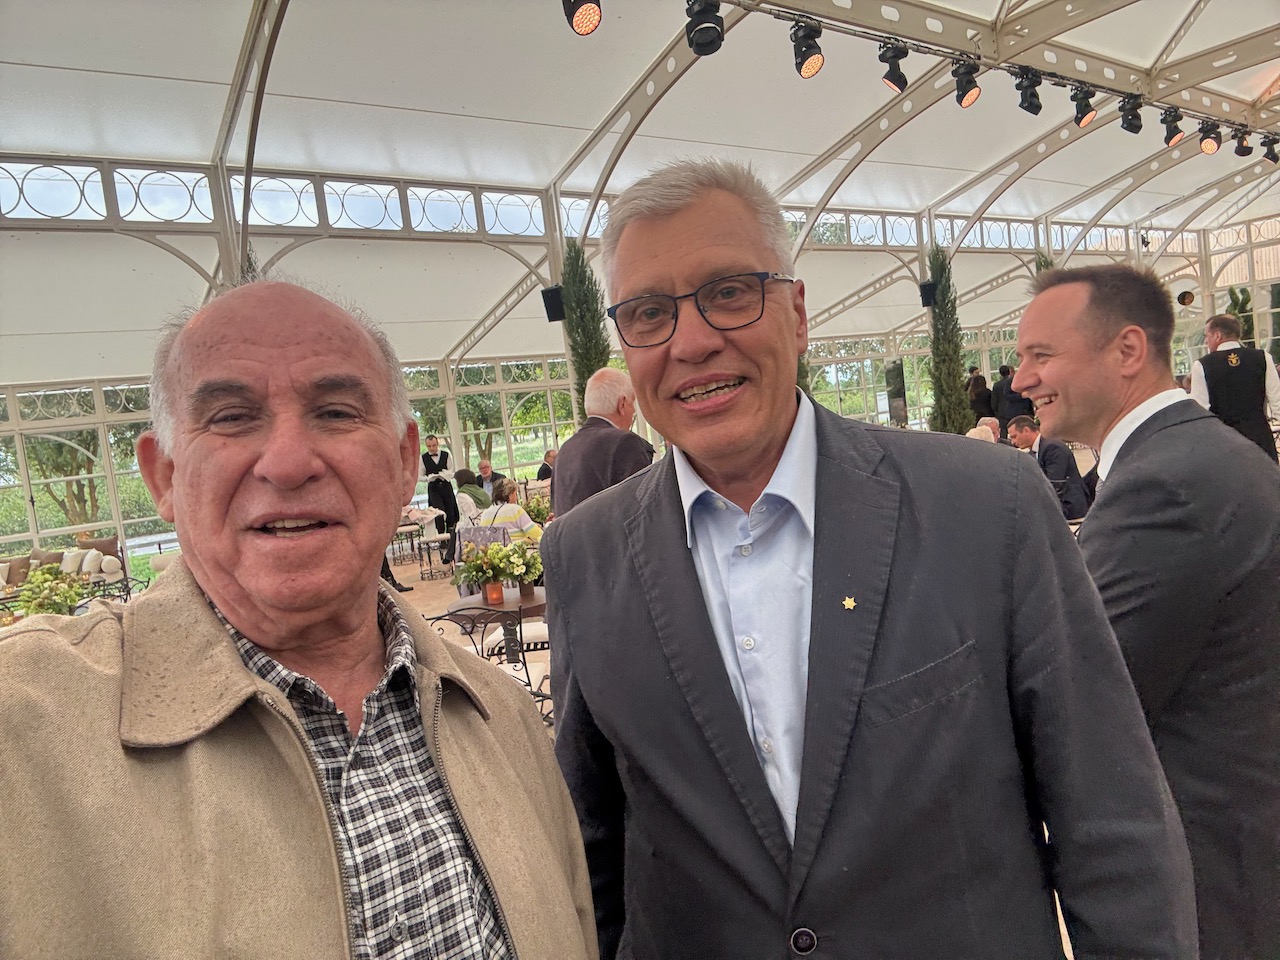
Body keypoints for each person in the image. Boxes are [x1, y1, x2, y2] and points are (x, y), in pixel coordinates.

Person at [543, 158, 1195, 960]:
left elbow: (1112, 820)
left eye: (729, 292)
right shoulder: (584, 554)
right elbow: (592, 857)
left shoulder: (984, 506)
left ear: (797, 312)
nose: (694, 341)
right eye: (649, 313)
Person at [0, 281, 596, 958]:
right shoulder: (26, 731)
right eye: (231, 417)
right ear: (163, 475)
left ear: (404, 461)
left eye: (336, 413)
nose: (287, 464)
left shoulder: (502, 715)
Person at [1014, 263, 1280, 958]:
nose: (1021, 380)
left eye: (1041, 356)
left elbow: (1083, 691)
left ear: (1128, 350)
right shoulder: (1209, 454)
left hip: (1215, 873)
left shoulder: (1163, 484)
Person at [551, 368, 655, 516]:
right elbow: (643, 511)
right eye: (632, 403)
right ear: (622, 404)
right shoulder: (625, 443)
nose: (633, 411)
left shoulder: (565, 449)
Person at [1189, 312, 1280, 461]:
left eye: (1207, 336)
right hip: (1260, 438)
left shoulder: (1202, 365)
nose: (1206, 341)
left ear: (1217, 335)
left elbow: (1200, 411)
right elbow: (1277, 402)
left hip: (1224, 442)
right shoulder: (1263, 357)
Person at [1006, 414, 1091, 520]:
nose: (1013, 442)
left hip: (1069, 506)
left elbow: (1053, 483)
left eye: (1014, 437)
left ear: (1026, 431)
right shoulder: (1037, 449)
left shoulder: (1052, 447)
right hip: (1055, 503)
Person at [421, 433, 461, 560]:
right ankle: (441, 539)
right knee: (438, 512)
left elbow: (451, 471)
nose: (432, 448)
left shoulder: (446, 455)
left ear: (437, 443)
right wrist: (429, 477)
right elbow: (420, 476)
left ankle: (451, 538)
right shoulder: (423, 458)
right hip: (433, 488)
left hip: (446, 486)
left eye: (433, 445)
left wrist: (444, 475)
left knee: (450, 511)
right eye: (429, 446)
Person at [475, 477, 542, 543]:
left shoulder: (485, 513)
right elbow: (535, 534)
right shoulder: (515, 510)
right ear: (510, 495)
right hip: (516, 548)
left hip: (494, 549)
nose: (516, 498)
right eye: (515, 494)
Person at [991, 363, 1034, 437]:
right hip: (1014, 412)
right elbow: (1007, 395)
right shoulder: (1010, 381)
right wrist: (1020, 396)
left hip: (1027, 412)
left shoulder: (1029, 381)